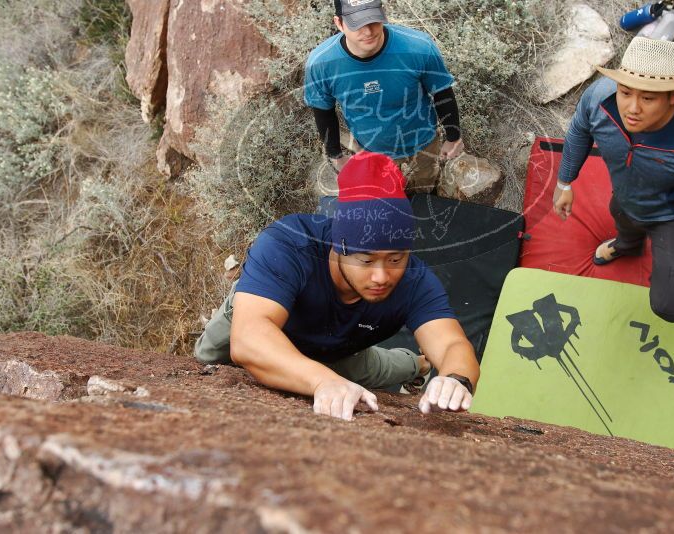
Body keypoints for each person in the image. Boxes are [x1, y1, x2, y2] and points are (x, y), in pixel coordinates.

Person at [195, 151, 480, 421]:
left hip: (340, 347)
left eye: (395, 258)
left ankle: (418, 365)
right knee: (205, 358)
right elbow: (248, 340)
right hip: (271, 321)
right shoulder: (290, 244)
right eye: (366, 261)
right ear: (338, 246)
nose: (382, 276)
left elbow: (453, 343)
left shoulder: (414, 278)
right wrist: (323, 380)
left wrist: (456, 379)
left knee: (379, 369)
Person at [553, 37, 674, 329]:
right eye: (625, 92)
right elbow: (579, 131)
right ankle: (628, 245)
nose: (632, 108)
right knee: (621, 216)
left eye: (647, 98)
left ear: (672, 96)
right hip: (627, 195)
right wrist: (565, 181)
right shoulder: (599, 98)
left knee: (671, 306)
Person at [304, 0, 464, 195]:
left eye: (373, 20)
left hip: (424, 141)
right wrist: (336, 155)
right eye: (357, 24)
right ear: (339, 23)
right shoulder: (321, 63)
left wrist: (453, 137)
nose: (369, 31)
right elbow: (323, 112)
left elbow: (442, 92)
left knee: (425, 184)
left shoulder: (418, 47)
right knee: (388, 192)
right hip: (372, 149)